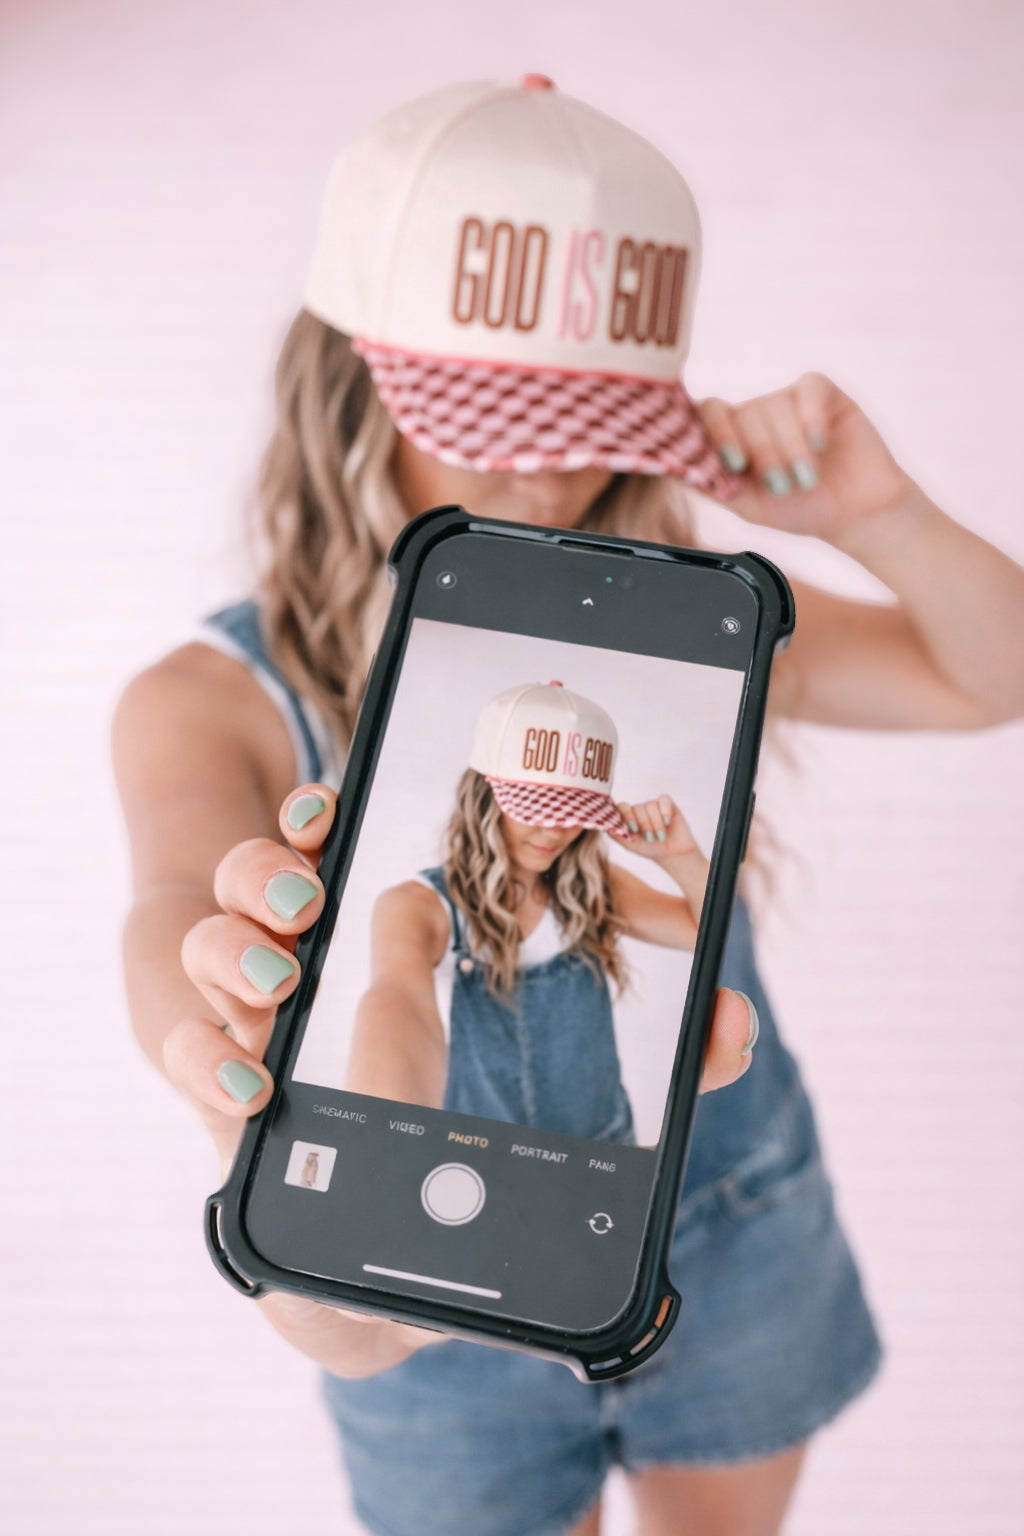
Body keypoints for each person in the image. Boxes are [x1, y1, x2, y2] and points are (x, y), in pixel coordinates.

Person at [112, 77, 1024, 1536]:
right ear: (348, 375)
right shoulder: (215, 698)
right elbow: (184, 907)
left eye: (586, 418)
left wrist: (875, 517)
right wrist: (214, 1021)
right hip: (426, 1294)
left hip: (727, 1241)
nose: (542, 473)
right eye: (488, 417)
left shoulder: (701, 635)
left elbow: (990, 676)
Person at [346, 679, 708, 1136]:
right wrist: (374, 1136)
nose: (555, 832)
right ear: (483, 796)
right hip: (477, 1157)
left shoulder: (596, 887)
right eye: (536, 807)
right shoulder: (417, 907)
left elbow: (706, 934)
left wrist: (683, 860)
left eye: (574, 811)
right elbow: (395, 1002)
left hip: (602, 1151)